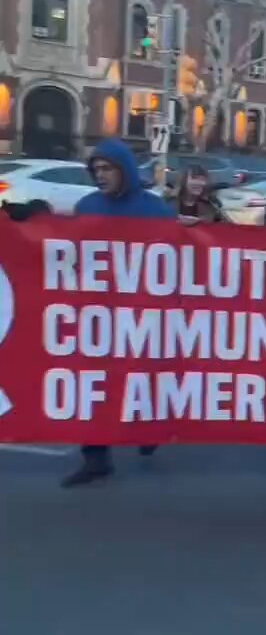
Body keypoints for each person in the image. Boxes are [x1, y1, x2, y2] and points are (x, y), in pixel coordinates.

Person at [63, 138, 175, 488]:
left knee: (141, 379)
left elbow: (178, 259)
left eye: (106, 168)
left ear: (123, 170)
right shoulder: (87, 206)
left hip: (143, 314)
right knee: (94, 386)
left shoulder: (155, 210)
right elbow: (66, 252)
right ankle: (95, 458)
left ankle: (149, 427)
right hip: (98, 314)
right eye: (95, 169)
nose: (100, 175)